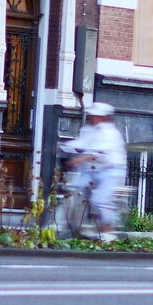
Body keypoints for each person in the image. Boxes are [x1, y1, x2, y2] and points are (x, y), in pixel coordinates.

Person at [58, 100, 127, 241]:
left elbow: (96, 152)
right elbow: (81, 143)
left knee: (100, 200)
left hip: (110, 171)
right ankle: (78, 228)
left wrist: (76, 160)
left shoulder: (109, 133)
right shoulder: (89, 129)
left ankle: (108, 234)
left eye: (95, 115)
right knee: (75, 191)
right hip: (90, 170)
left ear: (103, 117)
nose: (91, 117)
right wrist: (63, 147)